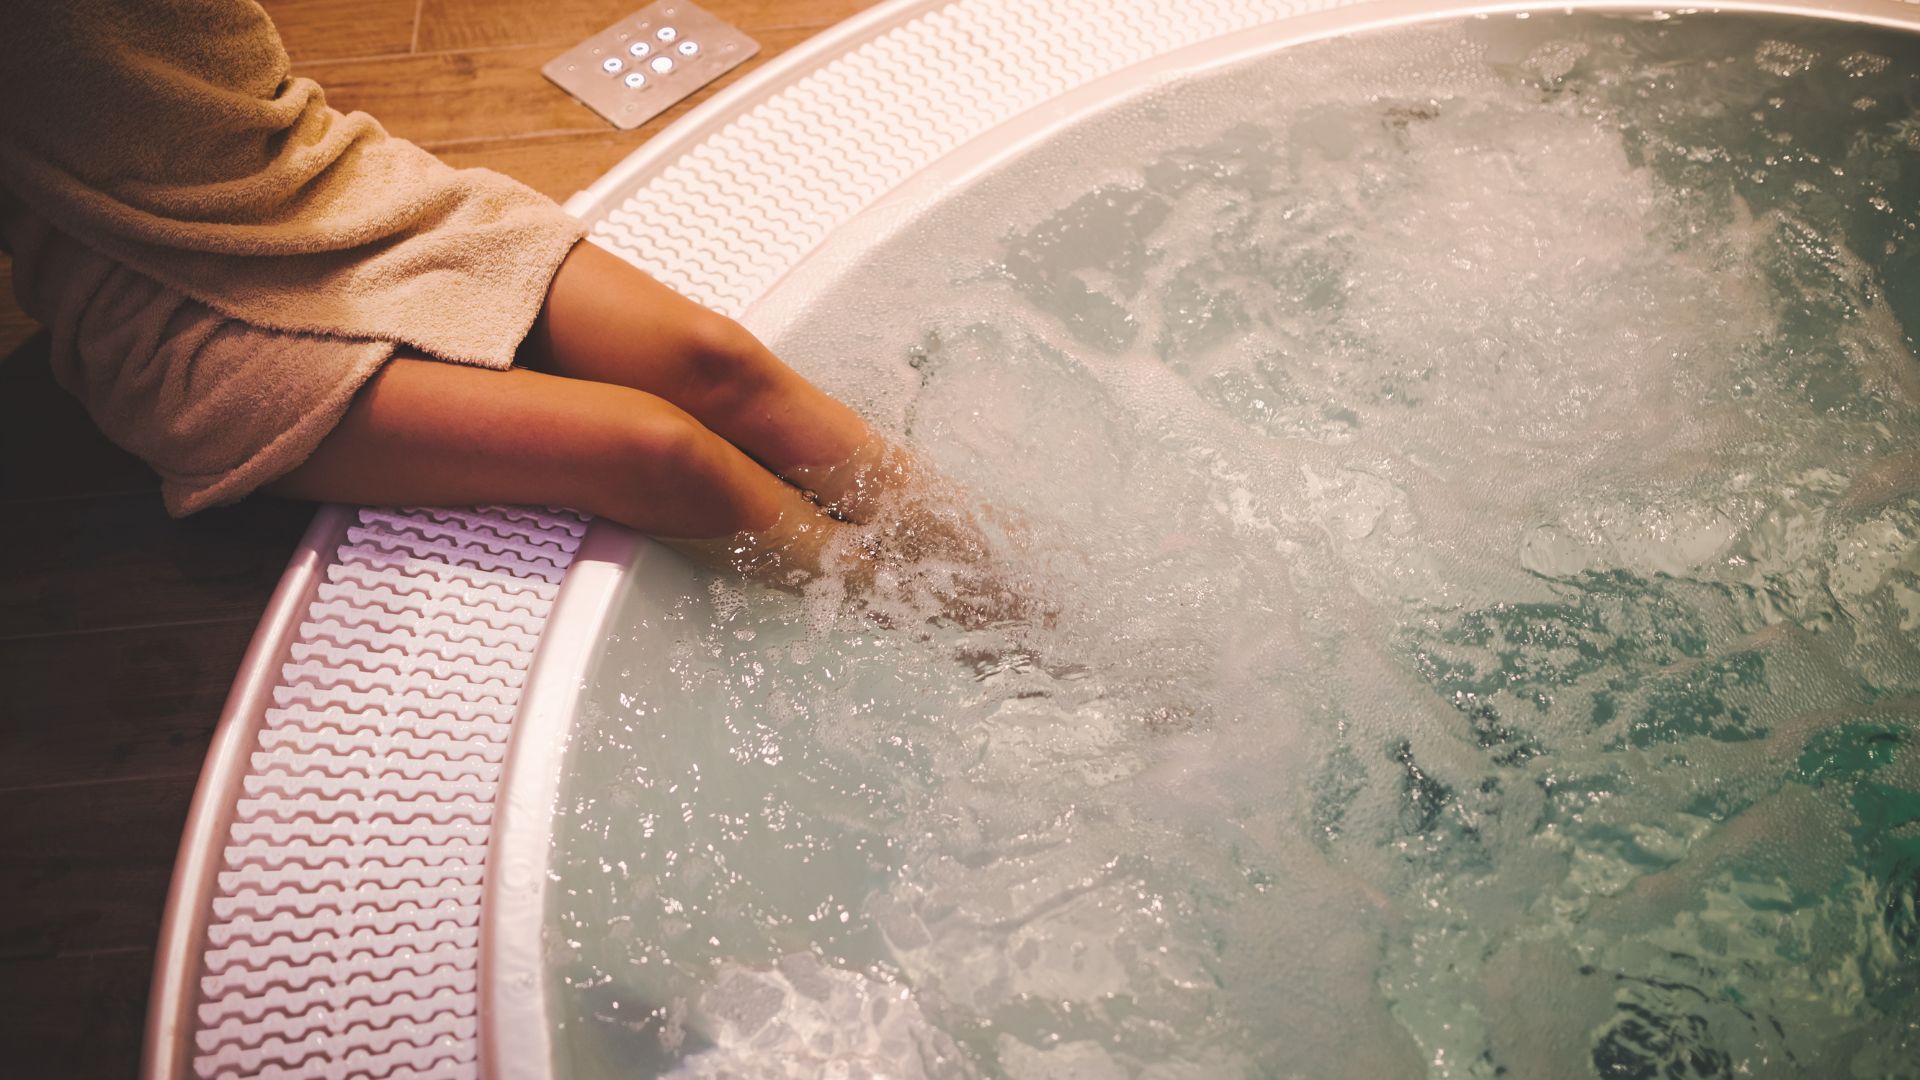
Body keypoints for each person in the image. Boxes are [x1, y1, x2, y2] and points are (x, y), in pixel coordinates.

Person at [0, 0, 905, 585]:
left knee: (721, 362)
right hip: (158, 295)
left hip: (312, 178)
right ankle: (943, 654)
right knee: (657, 451)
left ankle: (1028, 599)